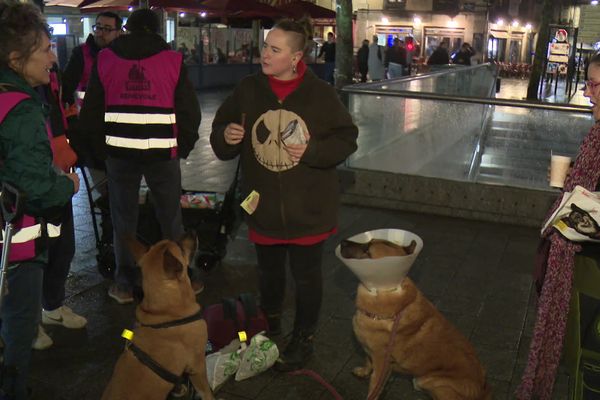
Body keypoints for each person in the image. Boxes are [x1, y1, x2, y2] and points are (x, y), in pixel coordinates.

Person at [210, 17, 358, 372]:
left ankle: (303, 337)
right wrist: (226, 136)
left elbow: (346, 138)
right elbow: (221, 129)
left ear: (296, 57)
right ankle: (270, 321)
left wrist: (311, 151)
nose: (265, 54)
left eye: (275, 49)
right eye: (265, 46)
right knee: (268, 273)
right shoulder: (248, 88)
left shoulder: (320, 94)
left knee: (307, 277)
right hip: (262, 207)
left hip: (309, 208)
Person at [79, 8, 202, 304]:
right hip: (163, 153)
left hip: (119, 154)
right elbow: (189, 111)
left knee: (123, 218)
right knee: (170, 215)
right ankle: (183, 276)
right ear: (157, 30)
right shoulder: (172, 60)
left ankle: (124, 282)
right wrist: (181, 146)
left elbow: (92, 112)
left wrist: (99, 152)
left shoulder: (106, 59)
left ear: (128, 29)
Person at [0, 3, 79, 398]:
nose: (53, 57)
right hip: (14, 246)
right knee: (17, 327)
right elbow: (34, 182)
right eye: (45, 49)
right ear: (16, 59)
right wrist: (67, 186)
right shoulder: (21, 108)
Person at [517, 53, 600, 399]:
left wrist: (579, 205)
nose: (588, 91)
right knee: (583, 359)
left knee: (591, 362)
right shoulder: (596, 134)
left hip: (594, 270)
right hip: (584, 264)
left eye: (595, 84)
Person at [33, 65, 87, 351]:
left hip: (58, 173)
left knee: (63, 246)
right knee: (29, 254)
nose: (52, 55)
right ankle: (25, 323)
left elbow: (59, 115)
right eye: (44, 48)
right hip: (33, 180)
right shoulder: (14, 91)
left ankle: (52, 306)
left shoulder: (48, 75)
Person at [61, 11, 122, 265]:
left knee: (118, 190)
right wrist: (75, 129)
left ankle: (118, 237)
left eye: (107, 29)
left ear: (119, 31)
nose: (100, 33)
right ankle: (110, 240)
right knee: (108, 191)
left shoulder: (123, 55)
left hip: (118, 135)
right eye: (98, 27)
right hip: (91, 140)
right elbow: (67, 93)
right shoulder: (81, 55)